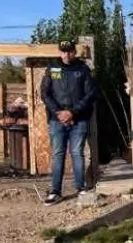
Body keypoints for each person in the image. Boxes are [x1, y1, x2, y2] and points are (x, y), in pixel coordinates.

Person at [39, 39, 98, 204]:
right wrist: (59, 113)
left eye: (70, 51)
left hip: (79, 119)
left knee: (77, 153)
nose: (66, 54)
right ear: (60, 52)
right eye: (63, 51)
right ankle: (55, 192)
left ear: (74, 52)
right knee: (58, 154)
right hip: (56, 119)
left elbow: (90, 94)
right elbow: (45, 93)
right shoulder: (52, 69)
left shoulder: (83, 69)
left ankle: (81, 189)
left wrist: (72, 112)